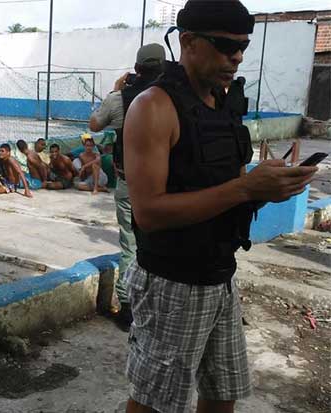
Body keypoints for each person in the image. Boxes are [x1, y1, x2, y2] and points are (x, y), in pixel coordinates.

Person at [122, 2, 318, 413]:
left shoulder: (223, 103)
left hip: (219, 274)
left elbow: (222, 188)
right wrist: (246, 188)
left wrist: (268, 186)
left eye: (243, 47)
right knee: (156, 403)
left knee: (221, 390)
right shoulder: (153, 108)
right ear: (189, 42)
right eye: (226, 46)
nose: (237, 57)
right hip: (171, 282)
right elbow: (149, 212)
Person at [89, 43, 166, 330]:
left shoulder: (121, 98)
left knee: (129, 245)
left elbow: (95, 124)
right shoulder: (173, 96)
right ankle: (157, 304)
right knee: (160, 243)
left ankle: (127, 307)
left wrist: (114, 90)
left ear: (136, 69)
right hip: (167, 184)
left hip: (130, 182)